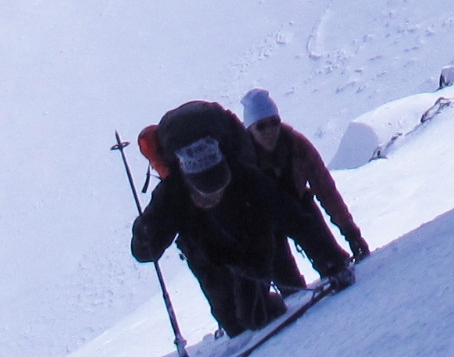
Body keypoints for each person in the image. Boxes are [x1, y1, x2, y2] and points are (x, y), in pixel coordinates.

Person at [127, 95, 344, 330]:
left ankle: (262, 307)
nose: (215, 198)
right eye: (207, 195)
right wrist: (145, 233)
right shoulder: (171, 196)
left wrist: (332, 262)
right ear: (189, 184)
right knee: (236, 324)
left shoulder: (245, 176)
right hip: (210, 254)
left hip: (250, 243)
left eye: (220, 189)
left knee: (256, 312)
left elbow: (295, 218)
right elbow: (144, 253)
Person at [235, 87, 368, 278]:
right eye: (261, 126)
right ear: (249, 129)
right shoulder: (243, 159)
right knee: (288, 282)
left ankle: (334, 265)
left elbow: (325, 189)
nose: (270, 130)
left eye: (274, 122)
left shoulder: (297, 146)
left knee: (334, 262)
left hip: (300, 208)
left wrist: (351, 233)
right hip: (265, 223)